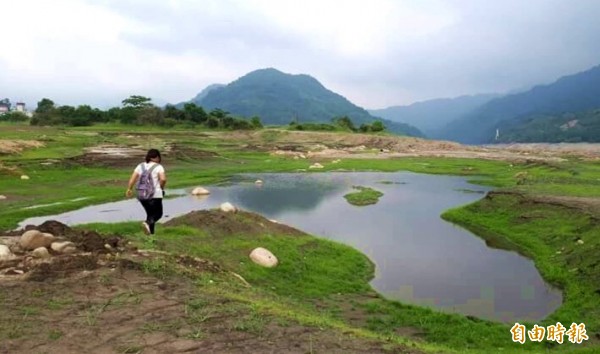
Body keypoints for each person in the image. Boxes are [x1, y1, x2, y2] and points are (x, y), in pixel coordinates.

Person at [126, 149, 167, 235]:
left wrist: (129, 189)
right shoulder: (158, 166)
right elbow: (163, 179)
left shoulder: (140, 166)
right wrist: (161, 188)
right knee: (158, 214)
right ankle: (147, 223)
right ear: (157, 157)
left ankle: (151, 235)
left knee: (150, 215)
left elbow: (133, 178)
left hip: (142, 195)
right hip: (155, 195)